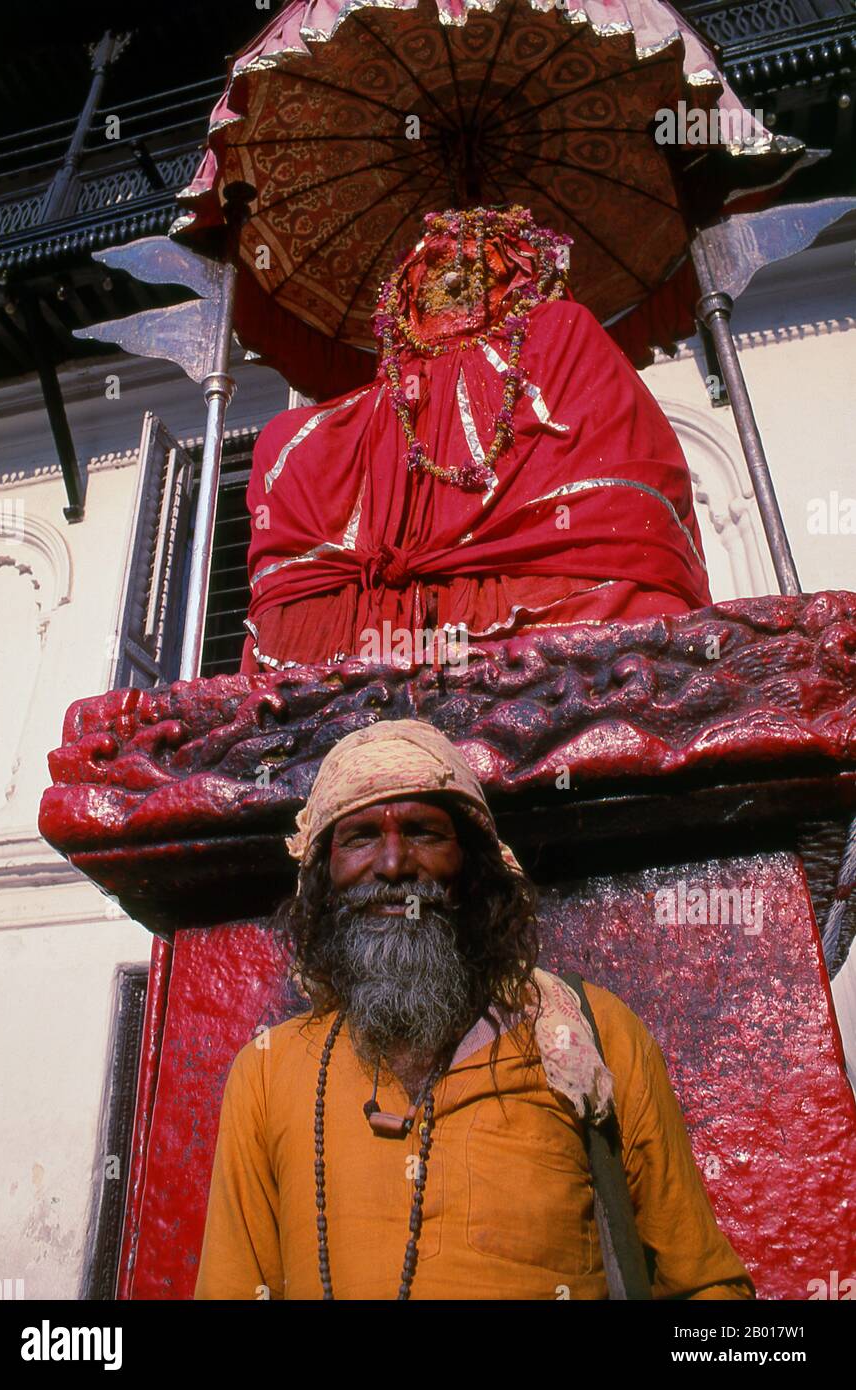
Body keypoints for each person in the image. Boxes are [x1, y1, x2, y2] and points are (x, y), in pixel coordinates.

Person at [194, 719, 754, 1301]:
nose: (393, 865)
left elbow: (708, 1289)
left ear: (472, 869)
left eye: (424, 832)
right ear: (325, 881)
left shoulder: (589, 1035)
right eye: (359, 837)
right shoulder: (266, 1072)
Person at [241, 205, 711, 670]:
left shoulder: (558, 335)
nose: (451, 280)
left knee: (571, 331)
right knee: (279, 435)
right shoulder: (395, 389)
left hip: (524, 390)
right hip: (402, 396)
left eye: (475, 269)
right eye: (432, 272)